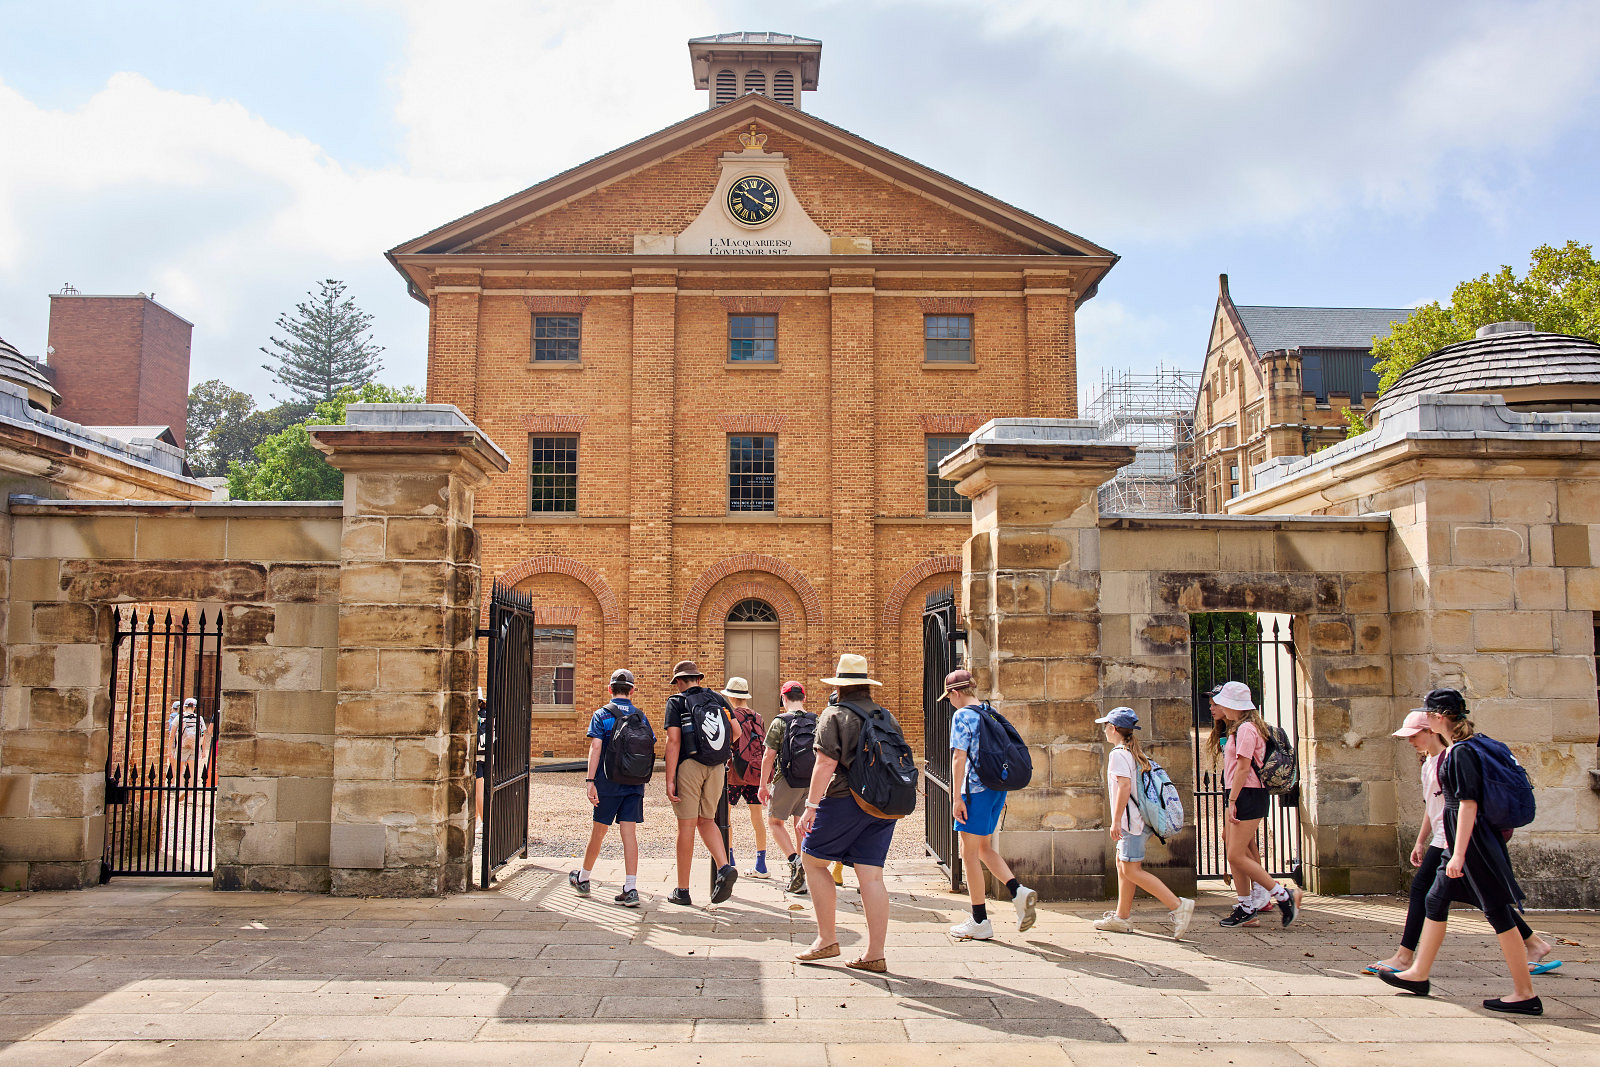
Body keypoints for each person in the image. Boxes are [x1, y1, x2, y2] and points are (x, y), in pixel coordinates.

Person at [1379, 689, 1546, 1014]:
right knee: (1434, 900)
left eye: (1428, 714)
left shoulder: (1460, 753)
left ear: (1439, 717)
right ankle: (1418, 974)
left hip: (1472, 844)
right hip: (1463, 841)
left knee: (1497, 912)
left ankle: (1525, 993)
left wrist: (1458, 853)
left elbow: (1468, 804)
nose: (1425, 720)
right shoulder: (1459, 749)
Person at [794, 654, 902, 974]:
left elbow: (826, 763)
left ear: (839, 687)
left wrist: (811, 806)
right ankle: (874, 953)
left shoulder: (835, 714)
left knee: (813, 861)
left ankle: (826, 939)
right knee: (871, 875)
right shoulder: (886, 715)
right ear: (866, 685)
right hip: (883, 803)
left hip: (845, 799)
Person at [942, 669, 1039, 940]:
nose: (950, 702)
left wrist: (956, 798)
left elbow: (959, 757)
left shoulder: (962, 716)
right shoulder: (989, 711)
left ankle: (979, 920)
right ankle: (1018, 892)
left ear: (955, 693)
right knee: (984, 849)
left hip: (974, 792)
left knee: (968, 853)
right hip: (996, 790)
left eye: (948, 697)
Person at [1092, 706, 1195, 938]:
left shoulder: (1118, 754)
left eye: (1106, 726)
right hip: (1138, 821)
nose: (1104, 730)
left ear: (1114, 728)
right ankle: (1122, 917)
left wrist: (1116, 821)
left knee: (1132, 869)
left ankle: (1178, 906)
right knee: (1123, 865)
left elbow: (1124, 787)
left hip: (1132, 824)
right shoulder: (1131, 751)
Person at [1209, 681, 1301, 928]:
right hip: (1243, 792)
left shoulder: (1246, 729)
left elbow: (1242, 768)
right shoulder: (1242, 728)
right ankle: (1246, 908)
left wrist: (1232, 800)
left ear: (1235, 705)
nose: (1220, 707)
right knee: (1234, 853)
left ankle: (1282, 895)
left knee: (1236, 854)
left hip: (1247, 793)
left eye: (1224, 703)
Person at [569, 669, 653, 907]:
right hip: (634, 783)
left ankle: (583, 879)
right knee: (629, 834)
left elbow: (596, 748)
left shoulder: (601, 715)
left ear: (610, 689)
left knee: (599, 831)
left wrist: (590, 781)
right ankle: (631, 887)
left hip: (608, 783)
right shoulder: (641, 717)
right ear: (632, 691)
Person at [663, 660, 740, 906]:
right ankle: (724, 867)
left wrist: (669, 779)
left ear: (678, 681)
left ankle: (682, 890)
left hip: (689, 765)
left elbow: (674, 741)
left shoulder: (677, 702)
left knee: (686, 826)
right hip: (717, 767)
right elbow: (736, 731)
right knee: (707, 820)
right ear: (698, 678)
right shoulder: (718, 699)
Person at [759, 680, 814, 895]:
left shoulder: (780, 721)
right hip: (810, 781)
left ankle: (794, 862)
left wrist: (762, 785)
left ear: (783, 698)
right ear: (804, 698)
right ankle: (801, 875)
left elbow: (768, 755)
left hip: (786, 779)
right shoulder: (816, 720)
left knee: (774, 822)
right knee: (802, 825)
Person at [721, 676, 770, 877]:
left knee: (726, 816)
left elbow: (728, 742)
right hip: (754, 772)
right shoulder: (758, 717)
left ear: (731, 697)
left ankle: (730, 859)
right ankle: (761, 865)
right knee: (757, 818)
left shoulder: (730, 716)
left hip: (734, 772)